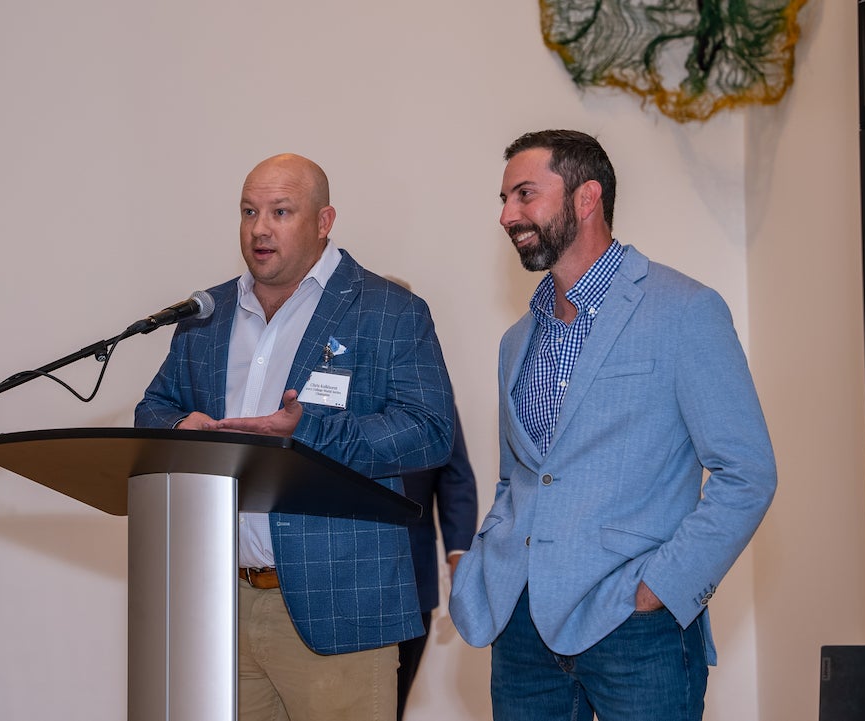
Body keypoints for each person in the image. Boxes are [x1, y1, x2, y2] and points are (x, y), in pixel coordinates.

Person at [448, 129, 777, 721]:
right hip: (520, 628)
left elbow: (747, 473)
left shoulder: (685, 310)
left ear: (585, 197)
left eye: (524, 195)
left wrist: (660, 590)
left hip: (636, 631)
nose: (506, 215)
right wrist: (484, 563)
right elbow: (516, 479)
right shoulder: (516, 340)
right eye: (503, 199)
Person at [134, 153, 455, 721]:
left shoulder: (390, 311)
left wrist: (312, 434)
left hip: (339, 605)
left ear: (324, 221)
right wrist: (181, 427)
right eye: (249, 211)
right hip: (219, 601)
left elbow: (430, 433)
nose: (260, 228)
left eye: (281, 211)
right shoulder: (205, 314)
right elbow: (154, 406)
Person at [396, 406, 478, 720]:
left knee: (391, 704)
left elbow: (454, 476)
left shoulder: (425, 376)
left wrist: (459, 555)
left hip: (414, 576)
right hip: (326, 573)